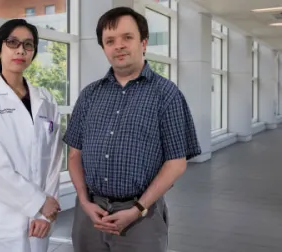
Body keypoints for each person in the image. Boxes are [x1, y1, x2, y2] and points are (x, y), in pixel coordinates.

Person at [63, 7, 202, 252]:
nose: (119, 46)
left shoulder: (166, 94)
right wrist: (84, 202)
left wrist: (138, 209)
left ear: (143, 42)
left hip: (141, 217)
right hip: (90, 215)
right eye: (110, 41)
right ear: (104, 48)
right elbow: (75, 154)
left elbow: (176, 162)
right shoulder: (89, 95)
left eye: (127, 37)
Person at [0, 19, 63, 252]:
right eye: (12, 42)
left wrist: (45, 213)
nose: (21, 50)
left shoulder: (46, 100)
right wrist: (37, 202)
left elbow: (54, 161)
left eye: (28, 45)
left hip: (39, 216)